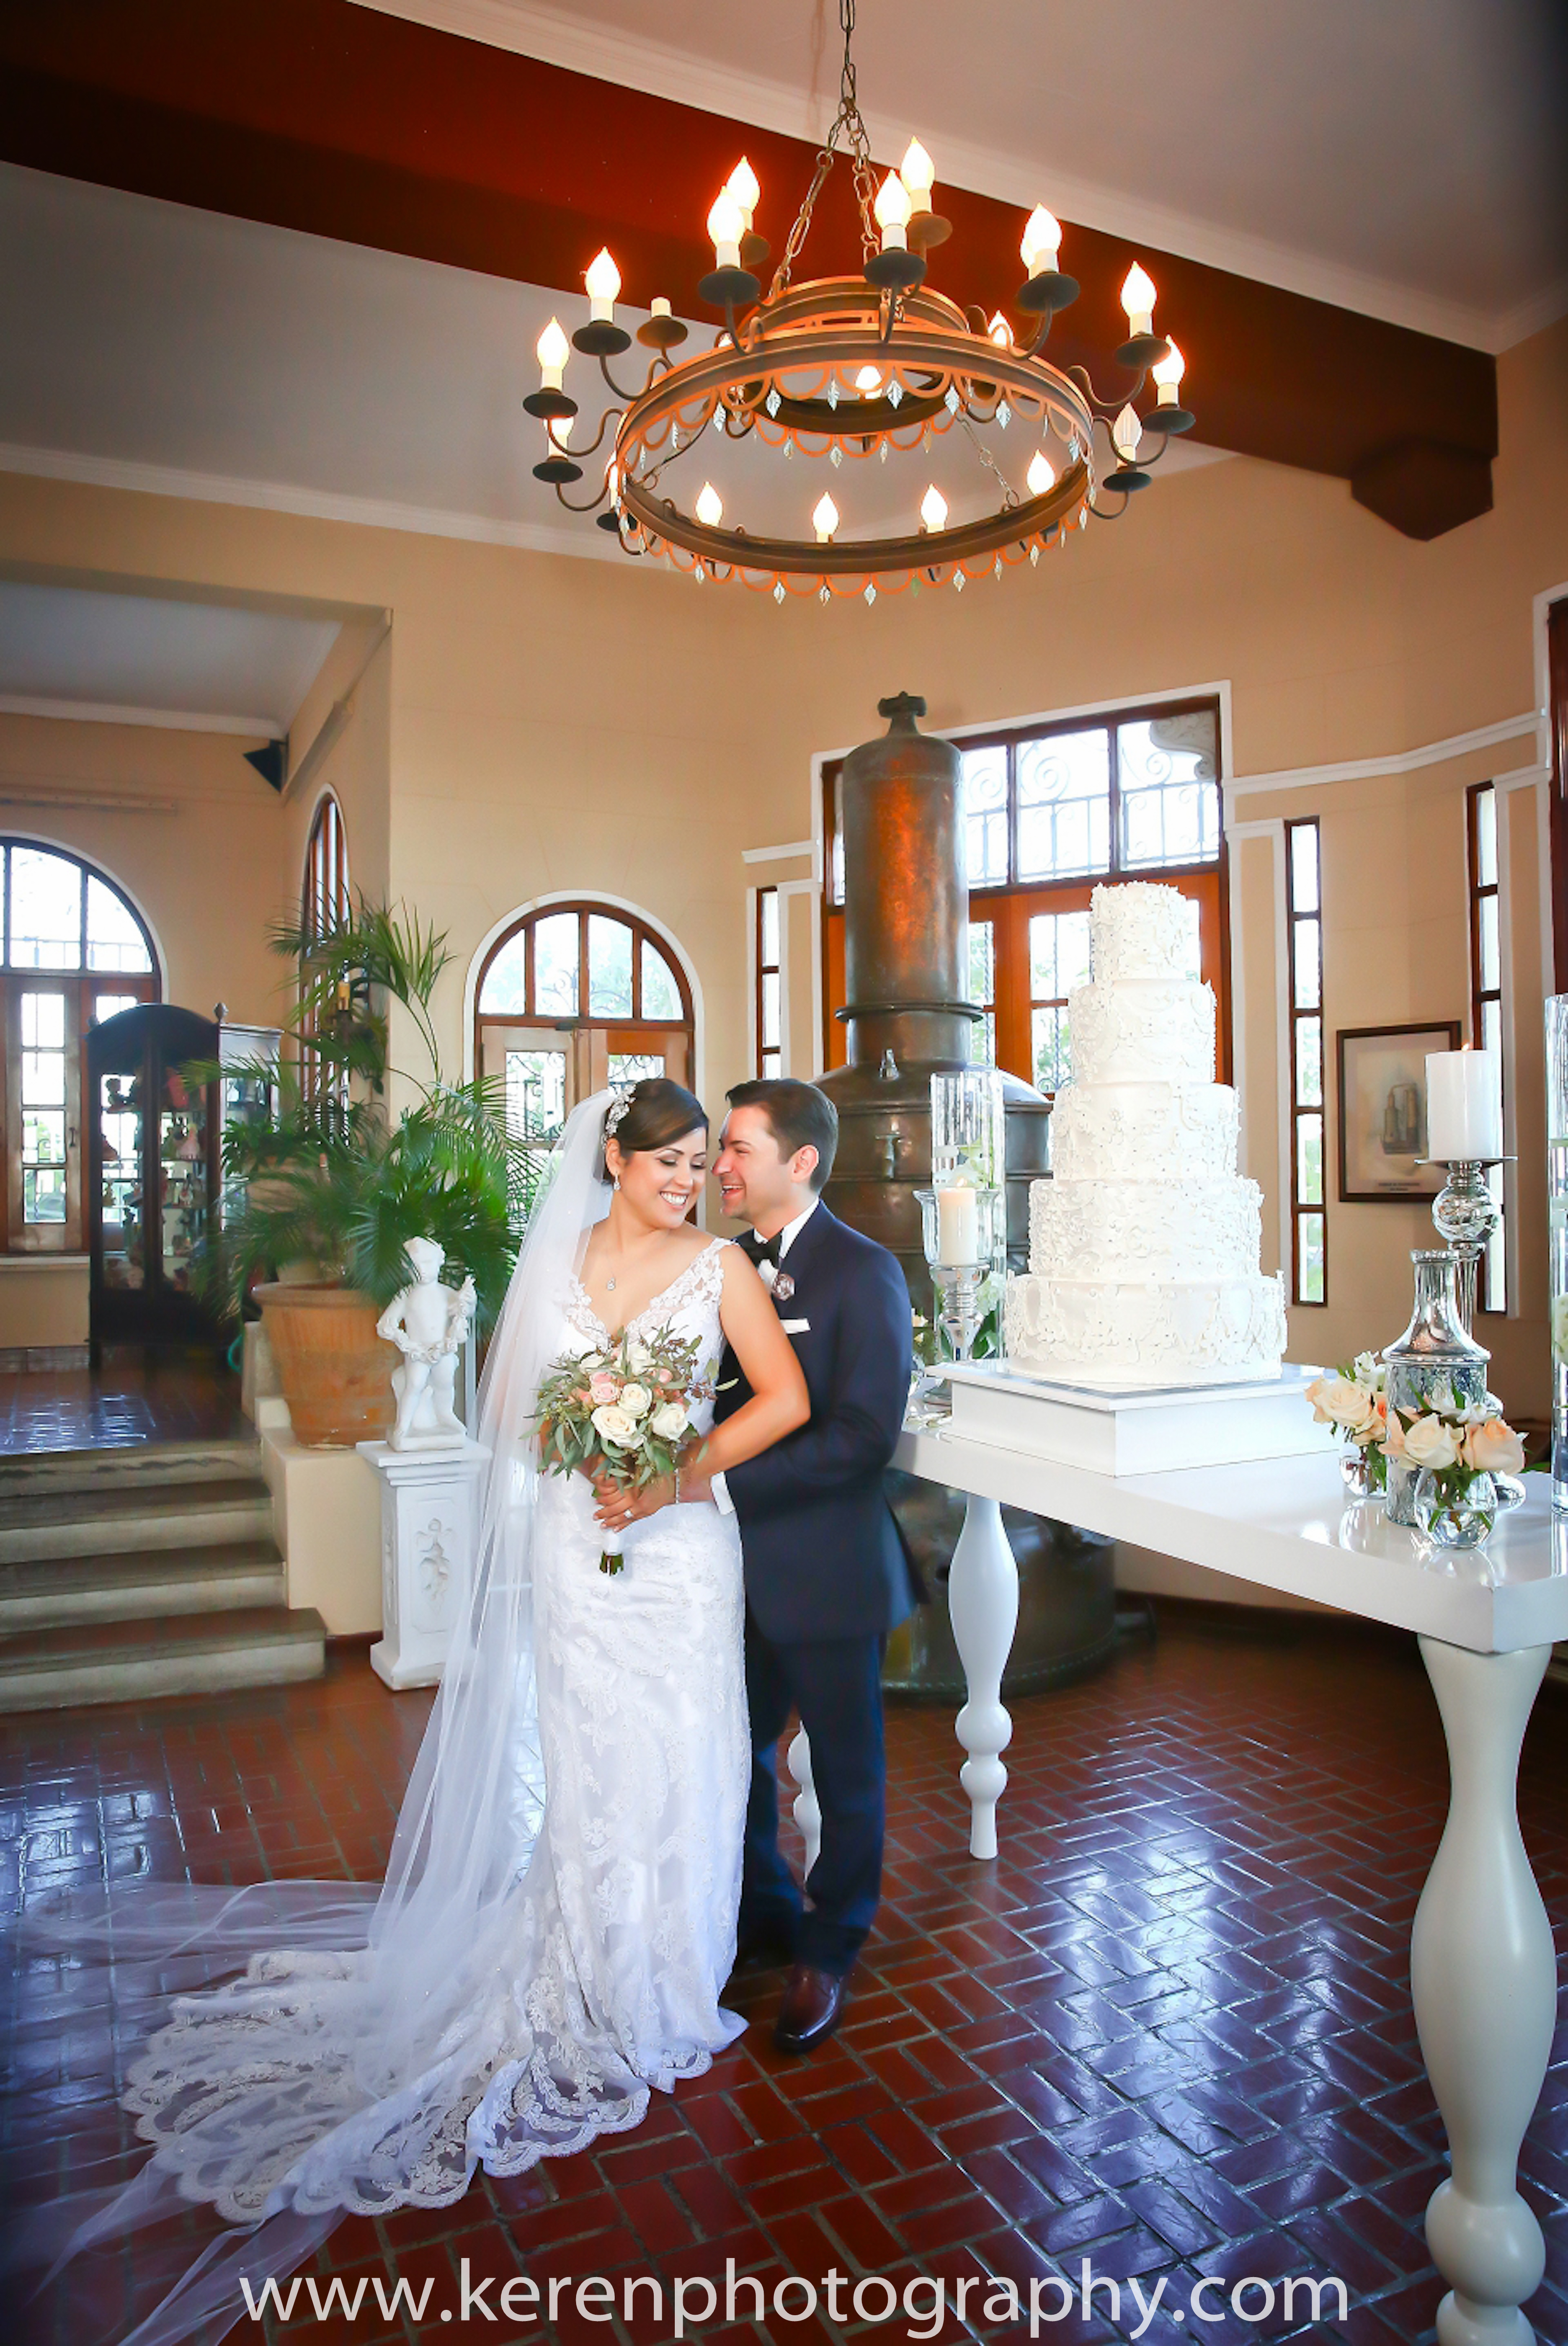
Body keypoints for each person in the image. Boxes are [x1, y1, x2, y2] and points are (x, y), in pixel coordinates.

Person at [7, 1080, 807, 2345]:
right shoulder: (552, 1270)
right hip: (573, 1546)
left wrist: (672, 1470)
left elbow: (782, 1402)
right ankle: (587, 1969)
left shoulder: (723, 1269)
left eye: (703, 1161)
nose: (687, 1179)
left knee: (690, 1763)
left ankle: (667, 1977)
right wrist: (587, 1454)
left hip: (681, 1556)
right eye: (668, 1160)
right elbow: (511, 1416)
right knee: (600, 1763)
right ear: (614, 1156)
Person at [597, 1077, 919, 2054]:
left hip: (825, 1571)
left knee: (848, 1769)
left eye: (735, 1149)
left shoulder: (866, 1274)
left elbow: (864, 1437)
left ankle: (829, 1946)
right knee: (725, 1756)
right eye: (712, 1153)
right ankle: (761, 1910)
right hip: (721, 1576)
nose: (717, 1169)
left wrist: (712, 1485)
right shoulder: (718, 1265)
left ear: (801, 1162)